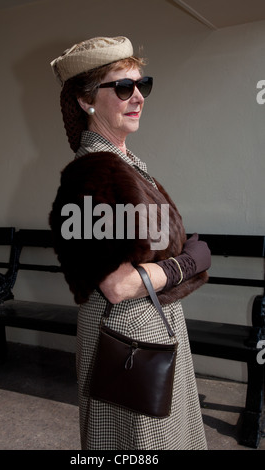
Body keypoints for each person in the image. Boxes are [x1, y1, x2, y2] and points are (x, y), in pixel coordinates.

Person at [49, 36, 211, 450]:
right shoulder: (92, 175)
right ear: (87, 100)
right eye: (123, 87)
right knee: (137, 448)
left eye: (143, 85)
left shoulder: (125, 165)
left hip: (151, 327)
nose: (138, 96)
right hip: (127, 342)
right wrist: (188, 263)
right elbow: (117, 285)